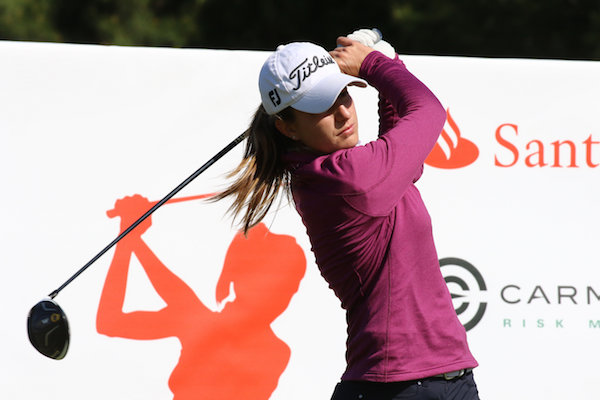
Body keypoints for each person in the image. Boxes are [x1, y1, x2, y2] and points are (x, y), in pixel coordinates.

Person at [215, 29, 480, 399]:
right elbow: (427, 112)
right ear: (288, 127)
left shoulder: (337, 174)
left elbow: (405, 145)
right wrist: (374, 64)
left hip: (438, 381)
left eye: (343, 94)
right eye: (321, 107)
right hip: (398, 388)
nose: (343, 112)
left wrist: (389, 62)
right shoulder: (348, 177)